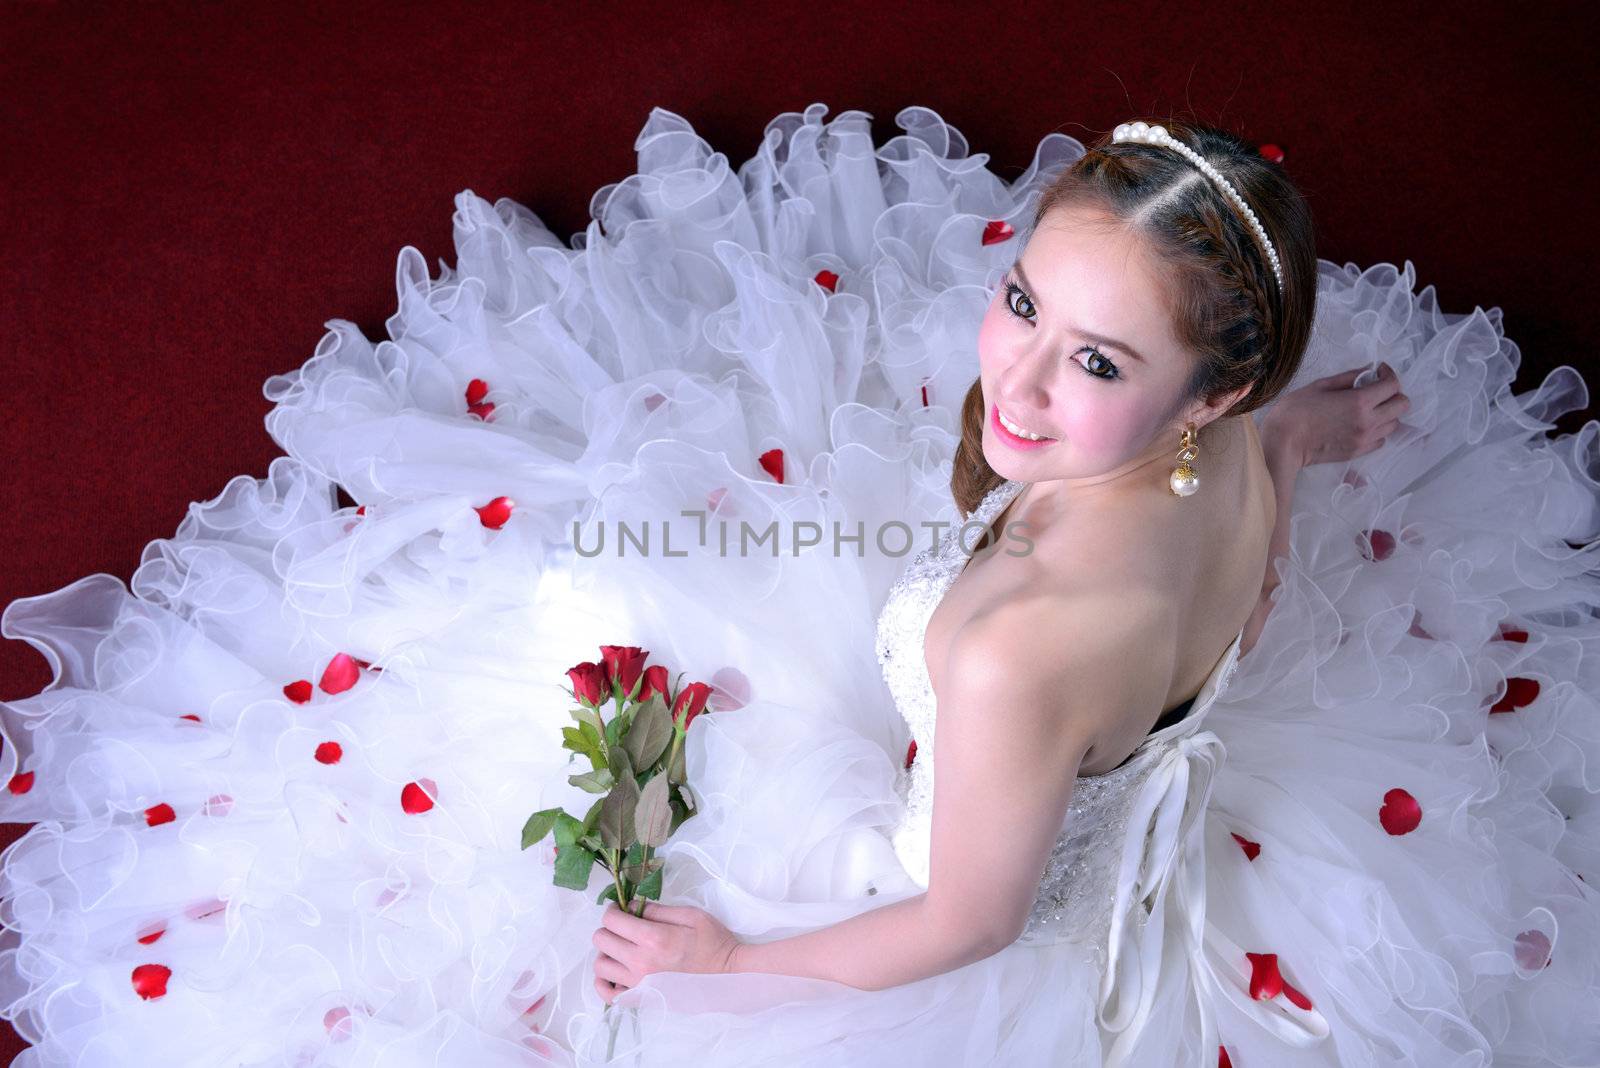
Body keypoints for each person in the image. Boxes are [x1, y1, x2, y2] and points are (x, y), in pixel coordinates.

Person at [1, 104, 1596, 1066]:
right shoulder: (1232, 462)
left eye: (1094, 360)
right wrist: (1318, 433)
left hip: (970, 880)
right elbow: (1264, 497)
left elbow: (963, 922)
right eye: (1022, 302)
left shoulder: (1013, 652)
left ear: (1202, 394)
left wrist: (729, 965)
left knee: (578, 642)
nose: (1018, 386)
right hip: (1100, 735)